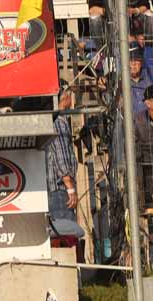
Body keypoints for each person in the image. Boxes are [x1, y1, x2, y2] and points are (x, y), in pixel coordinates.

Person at [45, 86, 83, 241]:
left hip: (55, 190)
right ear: (64, 98)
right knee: (67, 235)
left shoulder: (53, 120)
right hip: (60, 190)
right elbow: (61, 154)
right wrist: (70, 187)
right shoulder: (59, 122)